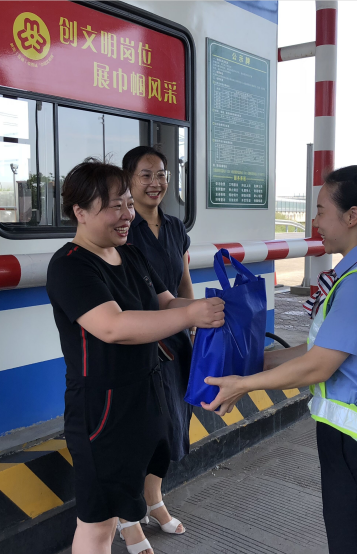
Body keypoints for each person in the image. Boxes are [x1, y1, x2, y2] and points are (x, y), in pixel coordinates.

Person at [202, 165, 357, 554]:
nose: (315, 221)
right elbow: (320, 350)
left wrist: (243, 385)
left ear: (352, 216)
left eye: (321, 210)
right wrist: (259, 362)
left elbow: (319, 366)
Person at [46, 159, 225, 554]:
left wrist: (211, 308)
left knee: (125, 503)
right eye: (115, 206)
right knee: (98, 523)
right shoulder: (70, 266)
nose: (128, 214)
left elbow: (166, 303)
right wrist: (190, 315)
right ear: (80, 211)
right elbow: (113, 326)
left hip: (147, 395)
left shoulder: (130, 255)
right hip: (102, 410)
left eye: (128, 203)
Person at [121, 146, 193, 537]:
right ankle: (127, 512)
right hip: (141, 341)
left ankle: (154, 499)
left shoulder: (176, 227)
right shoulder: (123, 228)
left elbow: (182, 281)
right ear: (128, 180)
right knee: (142, 427)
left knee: (171, 425)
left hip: (175, 340)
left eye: (161, 174)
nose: (156, 182)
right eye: (145, 175)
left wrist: (195, 321)